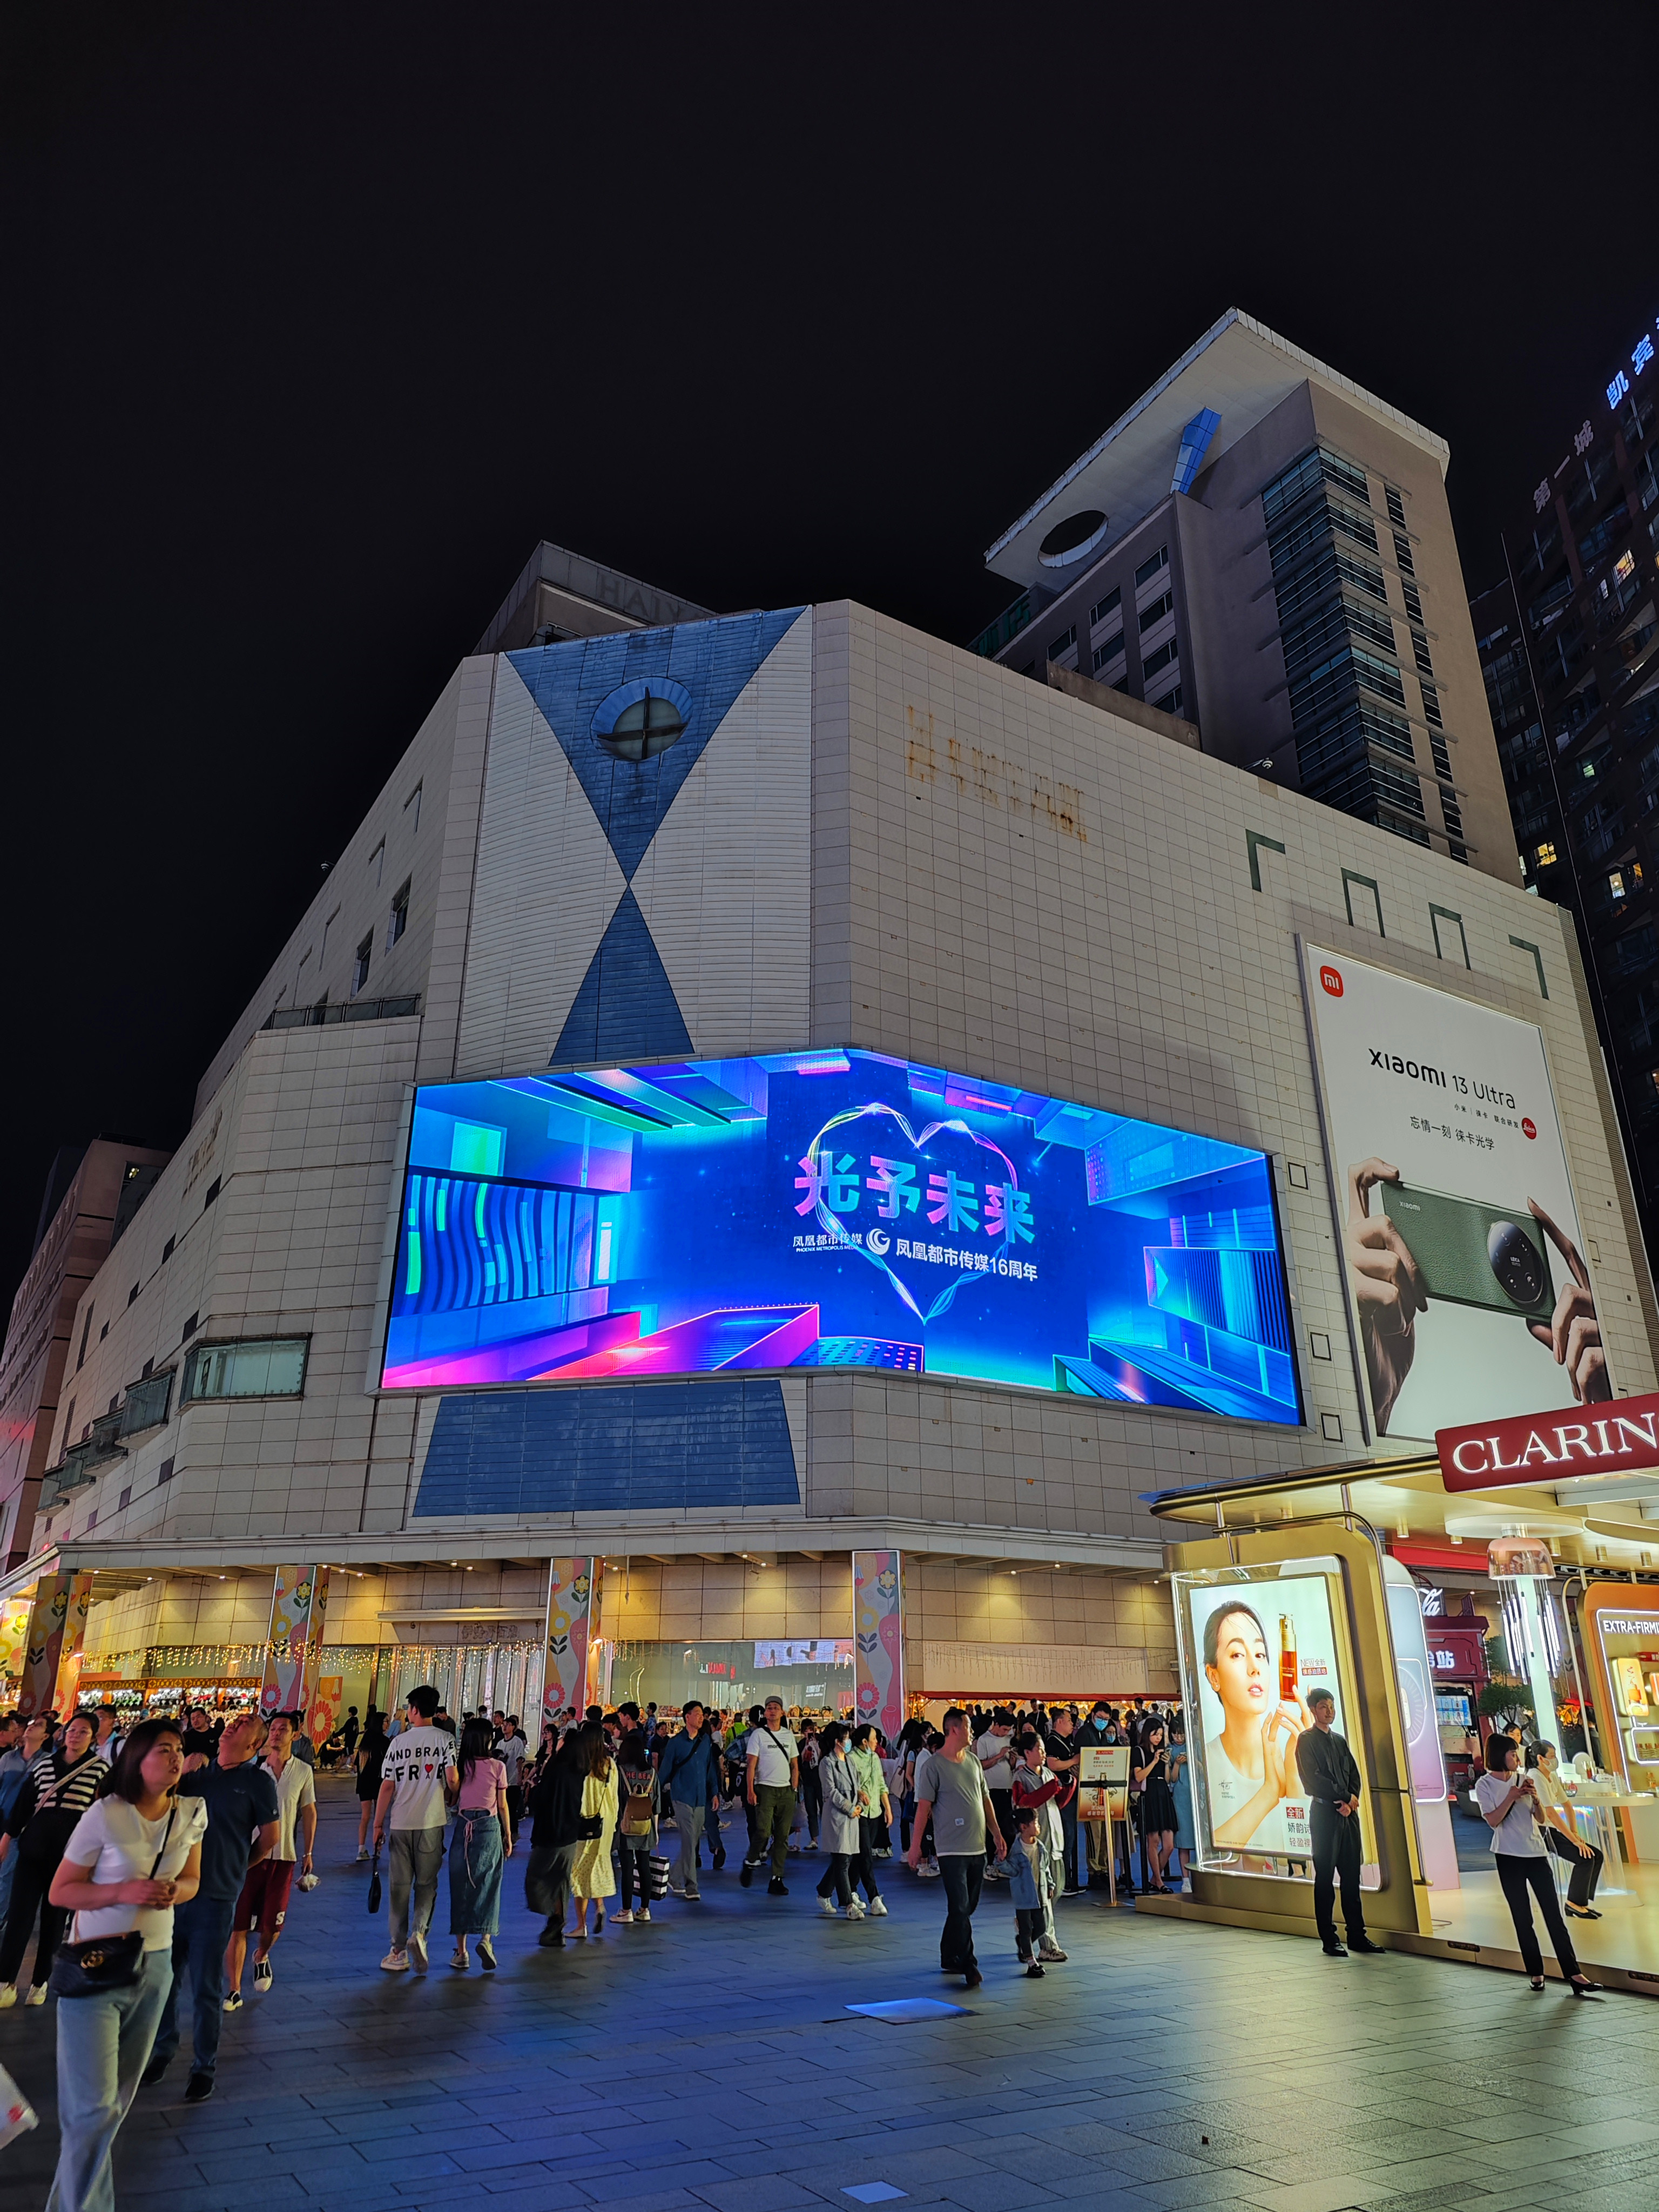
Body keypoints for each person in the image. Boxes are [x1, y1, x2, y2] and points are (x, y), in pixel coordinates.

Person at [45, 1719, 207, 2211]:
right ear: (136, 1759)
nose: (176, 1757)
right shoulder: (106, 1814)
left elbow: (194, 1879)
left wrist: (175, 1892)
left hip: (155, 1966)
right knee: (91, 2112)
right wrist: (123, 1891)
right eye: (163, 1749)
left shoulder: (192, 1813)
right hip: (96, 1964)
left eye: (179, 1749)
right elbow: (61, 1891)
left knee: (111, 2107)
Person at [144, 1709, 279, 2101]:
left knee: (205, 1985)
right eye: (235, 1721)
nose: (234, 1724)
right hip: (174, 1893)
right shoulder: (195, 1777)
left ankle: (204, 2066)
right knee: (165, 1978)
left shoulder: (257, 1782)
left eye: (245, 1725)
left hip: (216, 1897)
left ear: (255, 1745)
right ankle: (163, 2049)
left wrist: (237, 1866)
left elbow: (269, 1838)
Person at [1476, 1735, 1600, 1994]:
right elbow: (1494, 1821)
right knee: (1522, 1917)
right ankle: (1536, 1972)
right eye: (1512, 1754)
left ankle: (1574, 1974)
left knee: (1553, 1915)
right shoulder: (1484, 1784)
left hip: (1536, 1853)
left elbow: (1541, 1819)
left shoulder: (1524, 1779)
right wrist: (1511, 1797)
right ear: (1499, 1756)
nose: (1517, 1758)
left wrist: (1535, 1800)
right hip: (1508, 1855)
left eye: (1516, 1754)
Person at [0, 1707, 104, 2007]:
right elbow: (24, 1805)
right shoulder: (44, 1765)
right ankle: (6, 1981)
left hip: (70, 1860)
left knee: (54, 1921)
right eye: (72, 1730)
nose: (75, 1736)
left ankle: (40, 1982)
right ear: (63, 1734)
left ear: (92, 1737)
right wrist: (7, 1838)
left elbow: (103, 1814)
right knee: (19, 1917)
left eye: (83, 1732)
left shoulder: (100, 1770)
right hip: (32, 1852)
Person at [223, 1710, 315, 2008]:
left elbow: (309, 1811)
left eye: (282, 1729)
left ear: (295, 1735)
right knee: (239, 1924)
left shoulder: (303, 1771)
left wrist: (309, 1852)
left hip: (284, 1856)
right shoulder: (254, 1770)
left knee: (272, 1926)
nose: (276, 1734)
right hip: (251, 1856)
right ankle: (234, 1990)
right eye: (273, 1729)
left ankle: (261, 1955)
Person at [908, 1707, 1004, 1988]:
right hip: (950, 1850)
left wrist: (997, 1834)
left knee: (966, 1907)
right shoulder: (933, 1767)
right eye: (968, 1727)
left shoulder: (973, 1762)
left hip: (977, 1848)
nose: (972, 1731)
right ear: (954, 1730)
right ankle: (968, 1963)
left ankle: (949, 1954)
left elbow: (985, 1800)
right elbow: (923, 1809)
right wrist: (915, 1847)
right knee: (960, 1906)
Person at [1202, 1602, 1310, 1851]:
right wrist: (1269, 1793)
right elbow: (1210, 1850)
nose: (1255, 1669)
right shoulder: (1206, 1761)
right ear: (1214, 1676)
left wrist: (1295, 1778)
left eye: (1260, 1654)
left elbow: (1305, 1852)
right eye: (1237, 1655)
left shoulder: (1290, 1755)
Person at [372, 1684, 458, 1974]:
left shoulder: (398, 1743)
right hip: (432, 1822)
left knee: (399, 1887)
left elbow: (387, 1786)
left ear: (414, 1710)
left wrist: (377, 1824)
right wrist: (453, 1794)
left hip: (401, 1822)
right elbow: (453, 1778)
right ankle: (419, 1933)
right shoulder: (446, 1740)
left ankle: (398, 1951)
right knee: (427, 1884)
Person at [1293, 1689, 1381, 1959]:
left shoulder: (1340, 1741)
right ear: (1313, 1710)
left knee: (1352, 1878)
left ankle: (1357, 1935)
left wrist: (1352, 1799)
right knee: (1325, 1879)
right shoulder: (1306, 1740)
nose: (1329, 1711)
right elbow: (1313, 1779)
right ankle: (1329, 1939)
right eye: (1323, 1706)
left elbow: (1354, 1774)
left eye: (1332, 1706)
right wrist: (1343, 1797)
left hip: (1347, 1815)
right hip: (1324, 1814)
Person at [449, 1717, 510, 1970]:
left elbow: (453, 1799)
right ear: (488, 1740)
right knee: (490, 1883)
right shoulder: (498, 1767)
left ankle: (461, 1952)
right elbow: (503, 1805)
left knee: (460, 1885)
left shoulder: (461, 1766)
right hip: (489, 1827)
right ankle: (486, 1939)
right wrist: (508, 1836)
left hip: (464, 1826)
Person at [523, 1731, 588, 1948]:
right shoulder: (580, 1770)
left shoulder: (556, 1768)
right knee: (561, 1881)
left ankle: (554, 1917)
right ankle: (556, 1928)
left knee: (535, 1877)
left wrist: (536, 1787)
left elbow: (542, 1800)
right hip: (571, 1833)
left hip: (550, 1832)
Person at [1527, 1741, 1603, 1918]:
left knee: (1596, 1855)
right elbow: (1550, 1813)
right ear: (1540, 1758)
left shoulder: (1552, 1776)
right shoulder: (1535, 1777)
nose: (1555, 1761)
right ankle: (1574, 1904)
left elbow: (1567, 1805)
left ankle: (1580, 1902)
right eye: (1552, 1757)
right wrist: (1574, 1841)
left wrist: (1575, 1833)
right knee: (1585, 1858)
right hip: (1540, 1831)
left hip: (1551, 1830)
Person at [656, 1700, 721, 1902]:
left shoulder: (705, 1742)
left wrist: (715, 1792)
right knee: (689, 1839)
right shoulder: (675, 1743)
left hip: (701, 1798)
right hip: (682, 1797)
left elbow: (710, 1769)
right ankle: (692, 1886)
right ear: (687, 1717)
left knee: (691, 1841)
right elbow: (665, 1770)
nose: (701, 1718)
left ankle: (674, 1877)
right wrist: (655, 1794)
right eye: (697, 1714)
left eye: (702, 1715)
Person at [1011, 1730, 1067, 1962]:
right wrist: (1050, 1789)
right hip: (1035, 1847)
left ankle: (1029, 1932)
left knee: (1057, 1889)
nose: (1043, 1754)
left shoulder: (1048, 1774)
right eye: (1039, 1750)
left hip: (1054, 1840)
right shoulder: (1020, 1777)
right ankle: (1048, 1946)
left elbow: (1057, 1802)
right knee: (1044, 1897)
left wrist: (1068, 1787)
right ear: (1027, 1752)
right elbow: (1024, 1804)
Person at [743, 1696, 800, 1896]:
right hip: (765, 1789)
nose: (772, 1711)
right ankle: (751, 1859)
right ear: (765, 1713)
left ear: (782, 1712)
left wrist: (794, 1788)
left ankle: (777, 1878)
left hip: (786, 1790)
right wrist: (750, 1790)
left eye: (776, 1708)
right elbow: (751, 1765)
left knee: (783, 1836)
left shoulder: (788, 1735)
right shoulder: (758, 1735)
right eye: (769, 1708)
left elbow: (795, 1764)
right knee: (763, 1831)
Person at [567, 1723, 618, 1939]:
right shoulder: (609, 1764)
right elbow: (614, 1797)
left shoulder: (579, 1763)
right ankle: (600, 1906)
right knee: (596, 1867)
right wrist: (613, 1825)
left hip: (583, 1822)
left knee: (578, 1872)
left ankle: (581, 1925)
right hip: (604, 1824)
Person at [0, 1714, 48, 1934]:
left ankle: (2, 1917)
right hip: (2, 1818)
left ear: (46, 1736)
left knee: (6, 1874)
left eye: (38, 1726)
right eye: (31, 1724)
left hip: (23, 1825)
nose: (30, 1727)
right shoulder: (8, 1758)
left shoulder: (46, 1762)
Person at [814, 1724, 863, 1919]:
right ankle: (848, 1904)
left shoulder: (849, 1761)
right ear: (837, 1742)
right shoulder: (827, 1763)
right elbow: (831, 1791)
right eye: (846, 1738)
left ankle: (824, 1891)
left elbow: (857, 1786)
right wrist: (849, 1808)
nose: (849, 1742)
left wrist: (859, 1805)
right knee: (842, 1859)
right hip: (837, 1816)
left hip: (852, 1816)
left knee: (845, 1859)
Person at [613, 1734, 657, 1924]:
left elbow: (615, 1801)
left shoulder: (620, 1772)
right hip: (647, 1826)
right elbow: (657, 1806)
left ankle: (626, 1911)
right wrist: (656, 1831)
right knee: (645, 1867)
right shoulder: (652, 1773)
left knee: (628, 1869)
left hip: (625, 1826)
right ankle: (645, 1910)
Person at [846, 1723, 891, 1914]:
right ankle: (874, 1897)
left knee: (860, 1855)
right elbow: (848, 1784)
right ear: (864, 1741)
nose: (877, 1742)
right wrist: (859, 1792)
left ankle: (850, 1890)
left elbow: (881, 1784)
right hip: (860, 1812)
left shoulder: (875, 1757)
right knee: (866, 1856)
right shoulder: (851, 1758)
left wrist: (888, 1809)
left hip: (875, 1812)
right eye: (874, 1739)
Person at [1134, 1719, 1178, 1896]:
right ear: (1147, 1734)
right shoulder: (1139, 1751)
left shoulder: (1162, 1752)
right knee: (1153, 1840)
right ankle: (1159, 1882)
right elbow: (1139, 1777)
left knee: (1169, 1845)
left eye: (1160, 1734)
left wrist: (1166, 1763)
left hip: (1163, 1794)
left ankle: (1154, 1879)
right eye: (1155, 1734)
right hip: (1150, 1795)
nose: (1158, 1738)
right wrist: (1154, 1761)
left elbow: (1166, 1779)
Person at [973, 1708, 1015, 1880]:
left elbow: (1011, 1765)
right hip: (991, 1789)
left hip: (1007, 1787)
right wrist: (999, 1756)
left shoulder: (1009, 1739)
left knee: (1008, 1828)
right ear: (996, 1725)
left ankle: (1001, 1862)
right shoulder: (984, 1740)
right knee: (993, 1827)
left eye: (1009, 1730)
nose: (1006, 1733)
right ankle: (989, 1864)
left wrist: (1012, 1760)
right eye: (1004, 1729)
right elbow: (982, 1765)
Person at [1006, 1809, 1047, 1977]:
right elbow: (1012, 1871)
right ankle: (1031, 1962)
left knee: (1041, 1927)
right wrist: (1000, 1862)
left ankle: (1024, 1945)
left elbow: (1045, 1868)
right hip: (1023, 1896)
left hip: (1038, 1895)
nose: (1038, 1826)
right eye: (1035, 1823)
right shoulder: (1017, 1850)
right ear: (1023, 1827)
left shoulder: (1040, 1847)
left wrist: (1050, 1885)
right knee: (1026, 1930)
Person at [1045, 1707, 1081, 1896]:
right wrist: (1074, 1761)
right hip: (1062, 1797)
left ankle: (1069, 1877)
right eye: (1069, 1720)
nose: (1072, 1724)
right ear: (1059, 1722)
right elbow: (1053, 1764)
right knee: (1065, 1837)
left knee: (1071, 1837)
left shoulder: (1068, 1741)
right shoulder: (1052, 1741)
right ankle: (1063, 1881)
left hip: (1071, 1794)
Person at [354, 1709, 389, 1861]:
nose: (388, 1724)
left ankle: (361, 1849)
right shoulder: (385, 1742)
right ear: (379, 1724)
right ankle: (377, 1848)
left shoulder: (365, 1741)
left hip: (364, 1783)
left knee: (365, 1817)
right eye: (386, 1721)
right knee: (379, 1817)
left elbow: (357, 1765)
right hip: (379, 1783)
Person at [1168, 1715, 1194, 1889]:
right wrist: (1177, 1764)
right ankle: (1186, 1880)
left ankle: (1200, 1878)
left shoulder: (1194, 1745)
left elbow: (1201, 1768)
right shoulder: (1170, 1751)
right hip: (1180, 1798)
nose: (1179, 1738)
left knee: (1199, 1842)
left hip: (1195, 1797)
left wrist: (1191, 1759)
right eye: (1175, 1734)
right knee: (1183, 1841)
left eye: (1182, 1734)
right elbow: (1172, 1779)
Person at [497, 1714, 528, 1843]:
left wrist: (519, 1777)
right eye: (503, 1725)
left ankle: (513, 1833)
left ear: (513, 1727)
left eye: (508, 1725)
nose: (505, 1727)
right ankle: (502, 1833)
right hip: (501, 1780)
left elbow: (519, 1760)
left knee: (511, 1808)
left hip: (513, 1779)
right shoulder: (500, 1743)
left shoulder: (517, 1742)